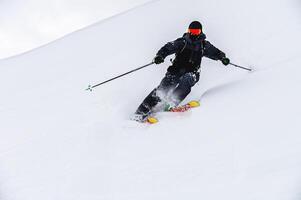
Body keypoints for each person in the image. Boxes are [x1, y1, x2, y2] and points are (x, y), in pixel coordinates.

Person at [133, 21, 230, 121]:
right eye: (191, 31)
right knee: (163, 89)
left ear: (200, 32)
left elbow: (215, 52)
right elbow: (168, 47)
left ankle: (171, 102)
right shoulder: (182, 42)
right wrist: (160, 56)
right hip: (176, 70)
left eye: (196, 31)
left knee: (187, 79)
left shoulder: (203, 45)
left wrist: (222, 58)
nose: (193, 33)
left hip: (193, 72)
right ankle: (140, 112)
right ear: (188, 31)